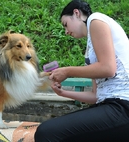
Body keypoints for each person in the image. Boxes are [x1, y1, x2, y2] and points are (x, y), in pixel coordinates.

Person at [34, 0, 129, 141]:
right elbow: (96, 95)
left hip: (123, 105)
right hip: (110, 105)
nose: (66, 32)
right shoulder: (90, 52)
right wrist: (63, 93)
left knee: (46, 132)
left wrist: (67, 71)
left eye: (65, 24)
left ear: (76, 13)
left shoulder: (95, 20)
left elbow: (108, 69)